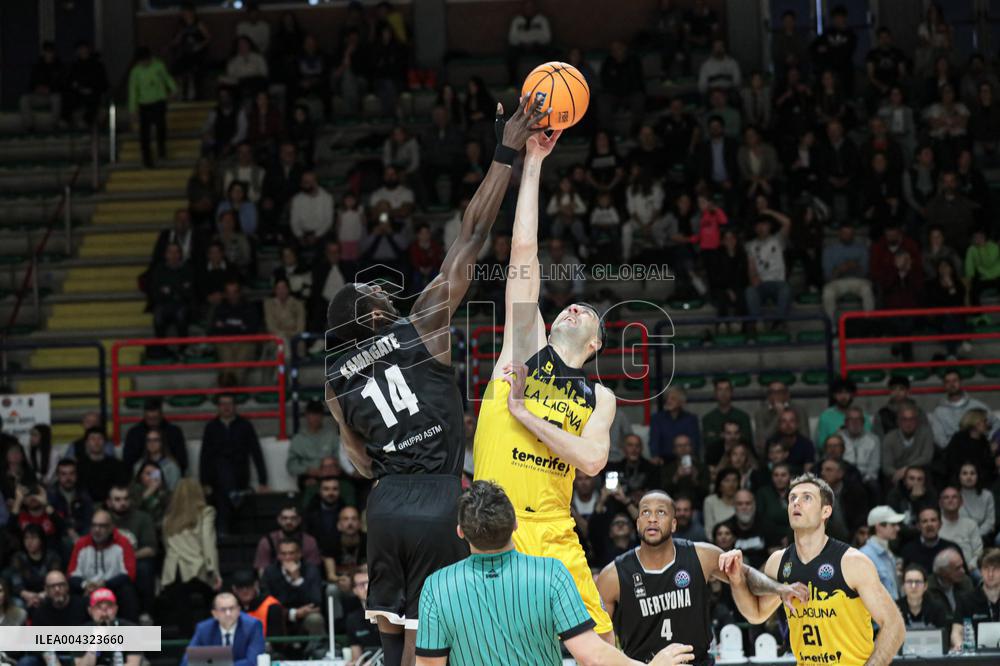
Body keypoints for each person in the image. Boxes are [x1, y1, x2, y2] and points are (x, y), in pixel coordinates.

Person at [324, 101, 547, 666]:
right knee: (437, 649)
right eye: (375, 294)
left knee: (391, 645)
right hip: (438, 500)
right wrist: (505, 153)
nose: (384, 292)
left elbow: (360, 465)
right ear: (371, 315)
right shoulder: (421, 324)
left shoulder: (335, 383)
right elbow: (471, 236)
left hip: (386, 508)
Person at [471, 124, 625, 641]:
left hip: (555, 529)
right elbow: (523, 253)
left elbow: (592, 461)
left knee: (601, 646)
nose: (574, 305)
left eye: (589, 311)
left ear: (596, 344)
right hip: (495, 529)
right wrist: (532, 163)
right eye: (569, 304)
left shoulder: (599, 398)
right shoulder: (524, 347)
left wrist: (525, 414)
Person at [414, 481, 696, 666]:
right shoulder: (551, 573)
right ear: (515, 525)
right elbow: (591, 655)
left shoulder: (436, 586)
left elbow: (429, 665)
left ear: (461, 531)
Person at [598, 490, 804, 664]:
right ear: (637, 523)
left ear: (673, 524)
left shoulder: (701, 556)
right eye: (645, 512)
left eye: (661, 512)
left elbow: (745, 573)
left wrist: (778, 589)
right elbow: (599, 650)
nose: (652, 518)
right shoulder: (612, 576)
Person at [753, 474, 905, 663]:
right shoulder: (777, 561)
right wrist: (736, 575)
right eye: (792, 498)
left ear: (826, 511)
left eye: (807, 497)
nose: (796, 503)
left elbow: (894, 625)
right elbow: (757, 613)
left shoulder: (852, 561)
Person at [159, 479, 221, 638]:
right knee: (215, 602)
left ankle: (186, 651)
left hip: (172, 574)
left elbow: (167, 546)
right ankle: (209, 644)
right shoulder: (206, 512)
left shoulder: (168, 519)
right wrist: (213, 571)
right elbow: (208, 542)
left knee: (182, 615)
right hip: (196, 570)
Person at [199, 394, 268, 533]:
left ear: (235, 406)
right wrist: (204, 482)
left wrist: (263, 481)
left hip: (239, 475)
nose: (226, 407)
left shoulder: (245, 425)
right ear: (218, 407)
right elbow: (205, 456)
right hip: (216, 478)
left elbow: (256, 452)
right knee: (221, 465)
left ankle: (223, 531)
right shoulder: (211, 427)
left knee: (222, 494)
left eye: (229, 403)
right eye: (223, 404)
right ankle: (232, 495)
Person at [68, 510, 139, 621]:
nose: (97, 530)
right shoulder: (81, 544)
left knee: (127, 591)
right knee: (73, 595)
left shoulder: (123, 543)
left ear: (111, 527)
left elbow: (129, 573)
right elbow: (72, 573)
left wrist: (105, 584)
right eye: (94, 525)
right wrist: (85, 585)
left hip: (113, 588)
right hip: (87, 589)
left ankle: (130, 633)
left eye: (102, 526)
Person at [261, 538, 325, 639]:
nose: (288, 557)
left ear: (299, 554)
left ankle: (318, 650)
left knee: (315, 619)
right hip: (280, 616)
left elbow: (315, 601)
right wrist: (293, 613)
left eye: (291, 553)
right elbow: (267, 601)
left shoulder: (311, 570)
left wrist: (297, 579)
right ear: (278, 556)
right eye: (283, 554)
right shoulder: (270, 572)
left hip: (306, 615)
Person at [181, 592, 265, 666]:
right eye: (223, 610)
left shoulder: (253, 626)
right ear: (214, 613)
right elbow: (187, 661)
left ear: (238, 610)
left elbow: (253, 662)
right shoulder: (204, 629)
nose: (228, 613)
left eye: (231, 608)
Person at [127, 47, 176, 168]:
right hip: (144, 104)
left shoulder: (158, 66)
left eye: (145, 60)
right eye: (141, 61)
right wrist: (133, 110)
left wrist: (174, 89)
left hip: (159, 101)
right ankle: (147, 159)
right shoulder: (135, 72)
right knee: (144, 134)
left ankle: (161, 150)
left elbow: (167, 78)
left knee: (161, 127)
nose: (144, 63)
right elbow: (133, 91)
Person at [930, 369, 997, 448]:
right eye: (948, 382)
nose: (951, 384)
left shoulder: (978, 405)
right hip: (954, 454)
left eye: (955, 380)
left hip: (981, 450)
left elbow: (996, 424)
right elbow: (940, 440)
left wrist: (988, 441)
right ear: (944, 385)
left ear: (961, 382)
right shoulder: (938, 413)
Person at [75, 587, 141, 666]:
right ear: (90, 611)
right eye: (99, 607)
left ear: (116, 609)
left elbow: (133, 663)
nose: (104, 613)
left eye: (109, 607)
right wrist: (95, 642)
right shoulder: (81, 632)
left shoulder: (130, 629)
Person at [950, 549, 1000, 650]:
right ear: (980, 571)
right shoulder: (966, 599)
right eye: (986, 568)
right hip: (976, 659)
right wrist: (959, 644)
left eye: (995, 569)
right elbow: (956, 631)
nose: (990, 574)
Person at [253, 504, 322, 575]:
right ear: (279, 520)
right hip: (274, 582)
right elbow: (262, 571)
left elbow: (313, 571)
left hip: (303, 581)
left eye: (293, 518)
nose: (288, 522)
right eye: (284, 518)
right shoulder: (267, 541)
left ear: (299, 520)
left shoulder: (309, 541)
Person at [287, 401, 339, 490]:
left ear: (322, 416)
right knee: (311, 486)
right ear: (306, 415)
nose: (316, 417)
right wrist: (308, 470)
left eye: (318, 413)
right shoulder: (298, 439)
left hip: (331, 476)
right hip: (308, 477)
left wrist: (332, 468)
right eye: (312, 413)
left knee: (345, 487)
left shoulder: (332, 436)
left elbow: (340, 459)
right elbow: (291, 466)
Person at [901, 507, 964, 575]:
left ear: (940, 524)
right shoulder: (909, 550)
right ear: (918, 526)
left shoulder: (952, 548)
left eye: (933, 520)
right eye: (924, 521)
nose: (929, 525)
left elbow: (964, 577)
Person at [859, 506, 905, 598]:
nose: (897, 528)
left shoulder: (889, 552)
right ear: (879, 526)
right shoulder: (865, 555)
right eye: (892, 525)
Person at [938, 487, 983, 579]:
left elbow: (978, 551)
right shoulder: (935, 524)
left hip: (969, 569)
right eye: (946, 497)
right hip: (942, 570)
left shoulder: (970, 524)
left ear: (961, 502)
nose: (950, 500)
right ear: (940, 503)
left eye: (954, 497)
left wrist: (971, 566)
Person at [19, 42, 63, 133]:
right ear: (43, 53)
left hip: (51, 96)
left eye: (51, 52)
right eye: (47, 52)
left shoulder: (59, 66)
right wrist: (37, 88)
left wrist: (50, 89)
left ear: (54, 53)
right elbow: (31, 83)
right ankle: (29, 125)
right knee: (24, 99)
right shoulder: (37, 66)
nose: (49, 54)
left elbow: (62, 84)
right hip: (39, 95)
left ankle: (55, 124)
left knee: (57, 98)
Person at [231, 569, 284, 638]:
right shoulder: (229, 606)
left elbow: (277, 640)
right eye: (240, 587)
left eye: (248, 586)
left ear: (256, 585)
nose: (245, 591)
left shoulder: (271, 606)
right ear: (234, 589)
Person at [898, 564, 951, 629]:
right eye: (909, 582)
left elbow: (943, 635)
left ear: (925, 586)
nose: (913, 586)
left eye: (918, 582)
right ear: (903, 586)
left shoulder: (937, 608)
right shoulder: (895, 608)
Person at [346, 568, 382, 663]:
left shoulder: (392, 612)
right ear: (354, 590)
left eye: (369, 583)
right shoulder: (352, 620)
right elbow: (357, 657)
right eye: (361, 585)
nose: (367, 588)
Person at [927, 547, 972, 614]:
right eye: (957, 568)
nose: (963, 571)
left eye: (962, 566)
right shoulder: (927, 587)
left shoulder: (965, 581)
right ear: (942, 571)